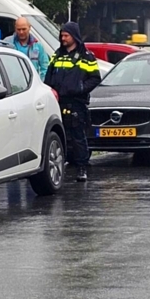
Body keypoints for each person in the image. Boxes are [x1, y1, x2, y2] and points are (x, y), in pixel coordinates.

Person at [44, 21, 101, 182]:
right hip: (58, 101)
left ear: (74, 36)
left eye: (66, 35)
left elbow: (95, 78)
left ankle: (82, 167)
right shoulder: (57, 54)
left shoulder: (86, 56)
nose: (63, 38)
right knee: (59, 135)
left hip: (76, 103)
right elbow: (49, 75)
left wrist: (81, 88)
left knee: (78, 136)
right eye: (61, 35)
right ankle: (60, 166)